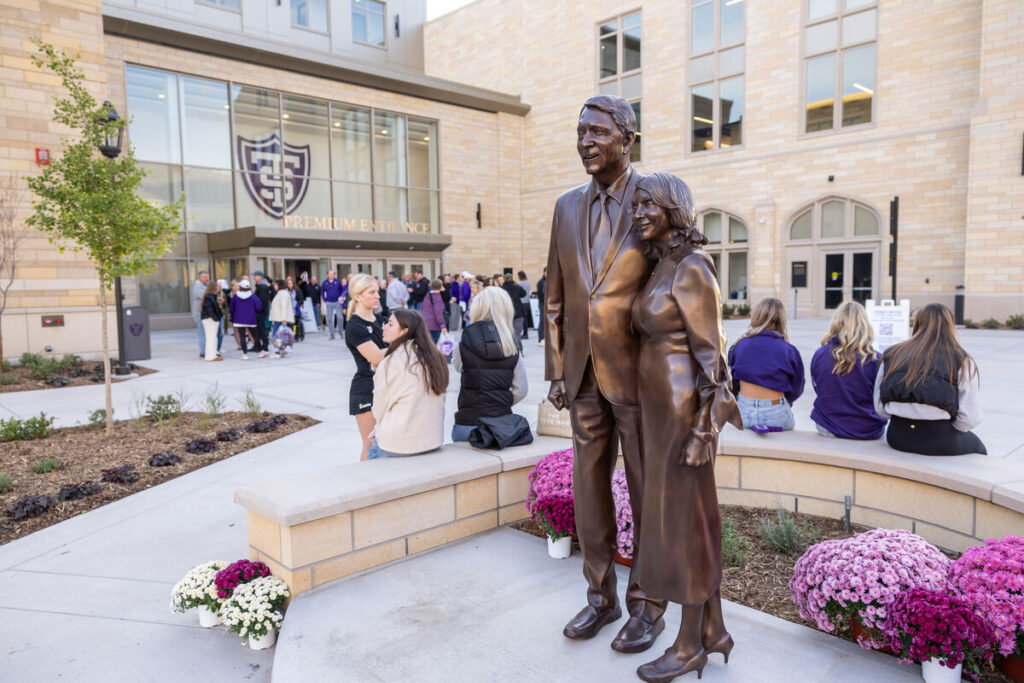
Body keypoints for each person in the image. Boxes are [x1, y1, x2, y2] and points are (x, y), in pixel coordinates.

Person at [545, 94, 665, 652]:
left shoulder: (654, 198)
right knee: (589, 493)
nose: (586, 142)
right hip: (582, 376)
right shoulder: (566, 206)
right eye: (580, 132)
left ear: (627, 139)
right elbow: (556, 296)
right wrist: (555, 369)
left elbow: (676, 283)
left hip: (640, 377)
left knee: (647, 493)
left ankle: (648, 606)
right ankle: (601, 598)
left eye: (597, 132)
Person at [630, 171, 743, 682]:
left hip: (682, 416)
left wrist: (703, 432)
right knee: (684, 521)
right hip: (659, 413)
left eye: (647, 204)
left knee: (684, 527)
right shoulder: (663, 264)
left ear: (673, 208)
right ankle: (713, 627)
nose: (638, 213)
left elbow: (714, 361)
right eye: (635, 205)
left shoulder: (694, 266)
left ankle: (688, 642)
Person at [874, 303, 986, 455]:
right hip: (939, 439)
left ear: (918, 323)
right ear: (950, 326)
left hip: (897, 436)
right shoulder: (962, 359)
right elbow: (969, 419)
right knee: (979, 449)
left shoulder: (892, 353)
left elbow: (880, 407)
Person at [367, 309, 448, 459]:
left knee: (371, 451)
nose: (384, 327)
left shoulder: (392, 361)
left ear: (404, 331)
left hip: (399, 444)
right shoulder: (436, 357)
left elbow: (379, 407)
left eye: (390, 324)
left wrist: (378, 428)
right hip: (433, 439)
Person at [451, 286, 528, 442]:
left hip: (466, 425)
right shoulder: (512, 346)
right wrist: (498, 402)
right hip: (499, 427)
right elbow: (521, 390)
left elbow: (458, 367)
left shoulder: (463, 342)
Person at [810, 302, 887, 440]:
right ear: (865, 325)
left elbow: (818, 387)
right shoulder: (876, 359)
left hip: (828, 425)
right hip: (868, 429)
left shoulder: (820, 354)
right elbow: (882, 400)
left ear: (836, 323)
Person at [728, 298, 805, 431]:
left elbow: (732, 382)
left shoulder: (738, 345)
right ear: (782, 320)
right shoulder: (788, 350)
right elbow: (797, 387)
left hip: (743, 412)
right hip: (776, 412)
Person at [345, 274, 388, 461]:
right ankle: (366, 484)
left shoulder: (380, 320)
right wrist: (400, 345)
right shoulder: (355, 326)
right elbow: (376, 357)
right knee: (371, 444)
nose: (377, 296)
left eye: (377, 291)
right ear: (357, 296)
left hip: (384, 386)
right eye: (372, 292)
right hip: (365, 390)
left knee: (386, 441)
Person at [228, 279, 262, 361]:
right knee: (255, 335)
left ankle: (245, 354)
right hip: (251, 319)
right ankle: (260, 352)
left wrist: (233, 316)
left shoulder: (235, 296)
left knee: (242, 336)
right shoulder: (253, 296)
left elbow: (231, 308)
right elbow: (259, 307)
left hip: (238, 319)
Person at [200, 279, 224, 362]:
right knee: (211, 338)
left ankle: (212, 355)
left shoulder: (212, 297)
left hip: (211, 319)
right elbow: (210, 310)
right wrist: (216, 318)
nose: (219, 288)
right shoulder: (209, 297)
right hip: (209, 320)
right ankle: (210, 356)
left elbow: (216, 309)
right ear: (213, 288)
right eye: (218, 287)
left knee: (213, 338)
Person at [500, 274, 527, 340]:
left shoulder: (502, 288)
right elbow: (524, 294)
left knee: (507, 334)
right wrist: (516, 285)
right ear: (512, 279)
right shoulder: (517, 287)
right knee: (517, 333)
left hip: (506, 313)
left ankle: (509, 349)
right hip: (517, 313)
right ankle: (517, 349)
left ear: (505, 279)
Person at [252, 271, 273, 358]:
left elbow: (263, 301)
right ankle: (263, 347)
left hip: (260, 313)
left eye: (255, 276)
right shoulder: (261, 286)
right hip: (260, 312)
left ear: (260, 277)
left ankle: (265, 348)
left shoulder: (262, 287)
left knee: (261, 331)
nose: (254, 278)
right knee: (261, 330)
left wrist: (258, 311)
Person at [421, 279, 448, 343]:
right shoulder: (437, 298)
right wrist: (443, 326)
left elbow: (423, 307)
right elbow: (438, 313)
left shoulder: (427, 295)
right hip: (434, 325)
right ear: (440, 287)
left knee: (429, 344)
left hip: (426, 323)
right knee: (434, 345)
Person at [191, 270, 211, 358]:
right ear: (200, 278)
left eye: (208, 277)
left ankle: (206, 350)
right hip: (200, 314)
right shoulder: (198, 286)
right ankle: (203, 351)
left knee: (205, 333)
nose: (208, 278)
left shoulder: (204, 285)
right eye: (206, 277)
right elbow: (205, 296)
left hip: (204, 313)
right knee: (202, 333)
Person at [321, 270, 343, 340]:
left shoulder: (338, 281)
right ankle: (332, 334)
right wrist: (325, 300)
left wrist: (341, 296)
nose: (331, 275)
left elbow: (342, 290)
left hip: (337, 302)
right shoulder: (325, 282)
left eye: (333, 274)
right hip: (329, 302)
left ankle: (340, 332)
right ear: (327, 275)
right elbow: (322, 292)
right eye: (330, 274)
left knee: (340, 317)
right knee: (330, 319)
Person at [517, 270, 532, 339]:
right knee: (526, 318)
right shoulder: (528, 283)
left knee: (523, 318)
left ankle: (524, 333)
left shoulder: (520, 284)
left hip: (522, 303)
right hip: (527, 303)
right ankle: (526, 332)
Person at [536, 267, 547, 347]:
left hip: (548, 304)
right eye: (547, 272)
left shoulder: (550, 281)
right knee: (542, 321)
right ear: (544, 272)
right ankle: (541, 338)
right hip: (543, 304)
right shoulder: (541, 282)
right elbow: (540, 295)